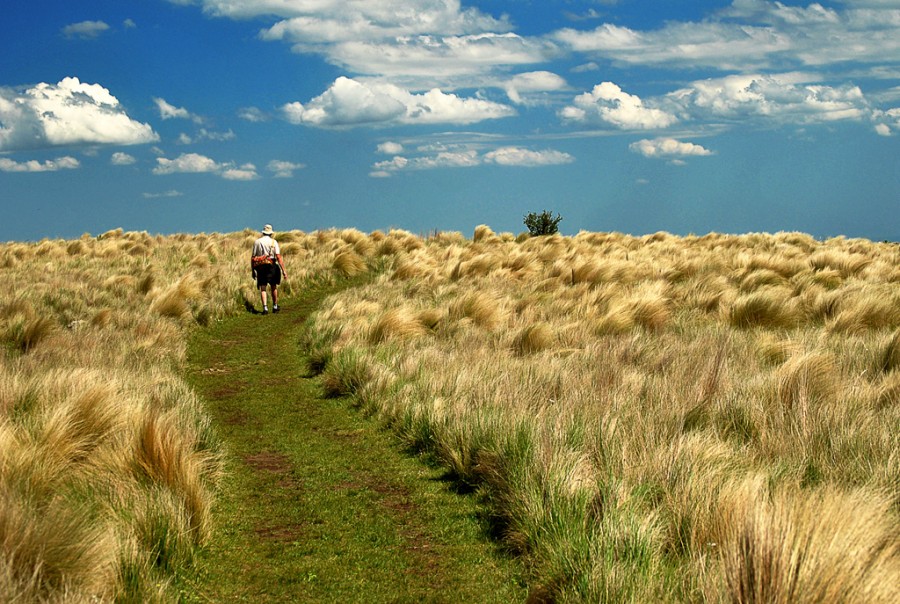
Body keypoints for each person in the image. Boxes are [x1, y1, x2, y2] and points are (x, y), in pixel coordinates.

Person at [251, 224, 287, 314]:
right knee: (273, 286)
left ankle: (265, 308)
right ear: (271, 233)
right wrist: (284, 271)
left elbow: (253, 257)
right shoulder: (273, 242)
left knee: (263, 287)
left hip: (260, 267)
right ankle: (275, 306)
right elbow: (278, 257)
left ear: (263, 232)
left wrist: (253, 270)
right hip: (271, 266)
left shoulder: (257, 242)